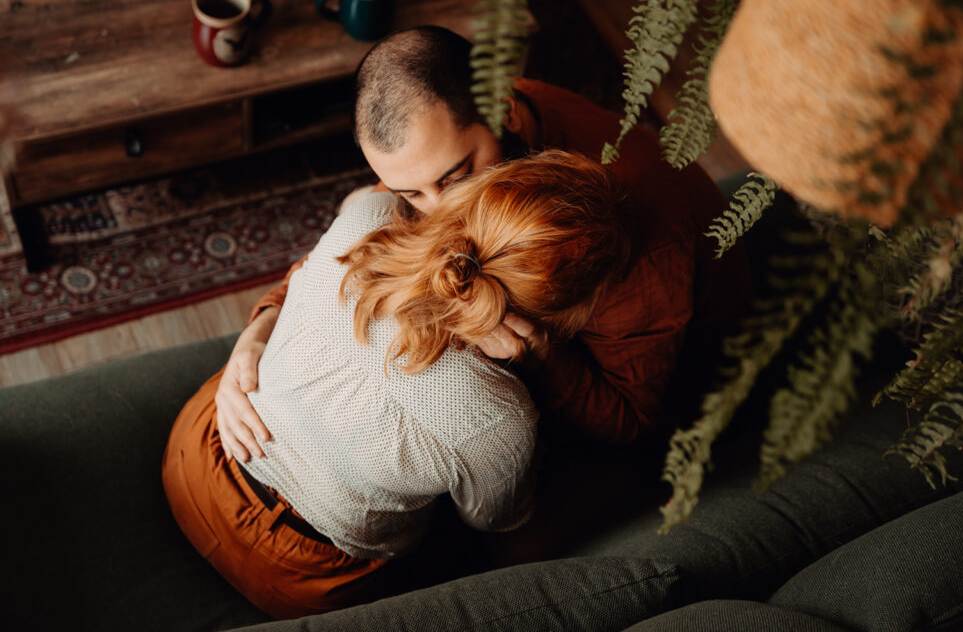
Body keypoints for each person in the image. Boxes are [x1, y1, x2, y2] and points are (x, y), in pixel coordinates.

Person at [216, 25, 751, 464]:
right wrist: (262, 325)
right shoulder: (440, 145)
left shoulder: (631, 229)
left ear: (504, 112)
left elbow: (631, 419)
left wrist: (543, 356)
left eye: (454, 178)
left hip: (678, 376)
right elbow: (373, 229)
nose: (436, 210)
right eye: (411, 192)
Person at [162, 150, 636, 617]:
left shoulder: (368, 219)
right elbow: (493, 520)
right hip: (299, 577)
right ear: (562, 315)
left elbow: (358, 199)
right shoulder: (498, 420)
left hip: (196, 451)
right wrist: (536, 363)